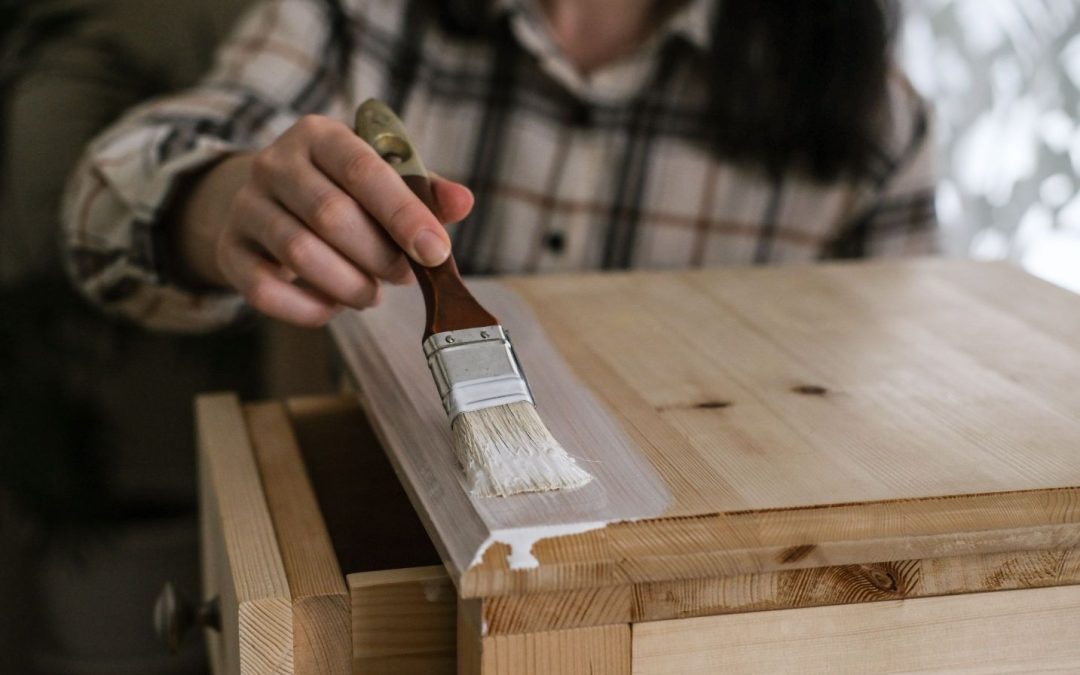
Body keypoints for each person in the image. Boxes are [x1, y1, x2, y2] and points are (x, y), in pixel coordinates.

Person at [61, 0, 937, 332]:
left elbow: (898, 414)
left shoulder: (874, 122)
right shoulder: (361, 16)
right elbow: (99, 204)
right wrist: (219, 208)